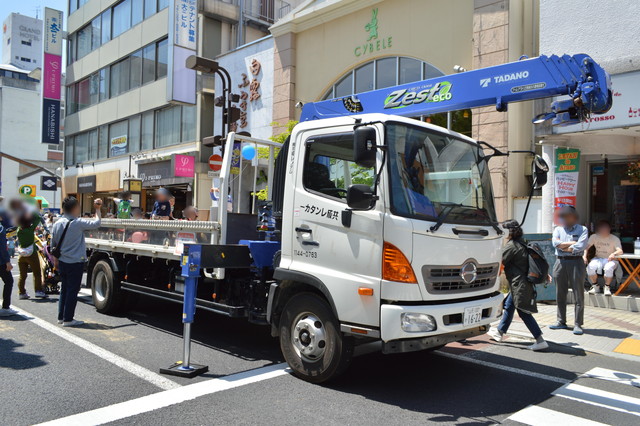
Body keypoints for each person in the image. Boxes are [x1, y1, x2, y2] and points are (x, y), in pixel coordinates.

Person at [488, 220, 549, 351]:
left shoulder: (512, 245)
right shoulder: (522, 241)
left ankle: (540, 340)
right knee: (509, 306)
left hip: (519, 285)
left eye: (504, 229)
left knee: (523, 312)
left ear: (509, 231)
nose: (502, 232)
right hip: (520, 283)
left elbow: (500, 262)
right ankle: (499, 332)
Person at [51, 196, 102, 327]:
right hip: (75, 262)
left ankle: (61, 317)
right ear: (74, 208)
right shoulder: (78, 223)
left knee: (64, 289)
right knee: (73, 291)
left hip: (62, 261)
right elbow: (96, 223)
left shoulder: (57, 223)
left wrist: (55, 261)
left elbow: (53, 245)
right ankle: (68, 319)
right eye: (78, 206)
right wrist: (97, 209)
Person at [551, 205, 589, 335]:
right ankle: (561, 321)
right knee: (559, 293)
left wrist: (565, 246)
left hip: (576, 262)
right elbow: (556, 244)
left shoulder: (582, 229)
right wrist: (573, 244)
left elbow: (582, 245)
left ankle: (578, 324)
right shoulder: (557, 229)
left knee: (578, 294)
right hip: (560, 262)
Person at [9, 199, 47, 299]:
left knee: (23, 275)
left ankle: (22, 292)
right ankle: (38, 291)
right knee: (37, 273)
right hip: (31, 253)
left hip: (21, 255)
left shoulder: (18, 230)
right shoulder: (30, 229)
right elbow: (38, 217)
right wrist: (32, 210)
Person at [585, 220, 623, 296]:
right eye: (602, 229)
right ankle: (595, 286)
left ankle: (607, 287)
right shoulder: (594, 237)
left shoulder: (614, 238)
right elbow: (586, 247)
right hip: (598, 258)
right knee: (590, 267)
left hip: (611, 259)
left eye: (606, 229)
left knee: (608, 268)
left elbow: (620, 251)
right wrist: (584, 256)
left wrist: (613, 254)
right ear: (599, 230)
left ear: (609, 229)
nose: (604, 231)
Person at [0, 196, 15, 317]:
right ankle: (5, 307)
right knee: (9, 281)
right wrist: (7, 262)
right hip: (0, 261)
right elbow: (2, 247)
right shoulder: (1, 228)